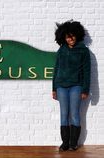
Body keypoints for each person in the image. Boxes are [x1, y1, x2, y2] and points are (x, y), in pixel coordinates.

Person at [52, 20, 91, 151]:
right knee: (64, 114)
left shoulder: (83, 51)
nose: (71, 39)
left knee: (74, 114)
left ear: (77, 35)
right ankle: (65, 143)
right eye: (68, 36)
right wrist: (54, 88)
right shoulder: (61, 50)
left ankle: (73, 143)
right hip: (61, 86)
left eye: (73, 36)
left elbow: (87, 71)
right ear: (63, 37)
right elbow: (56, 69)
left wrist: (85, 89)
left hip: (76, 86)